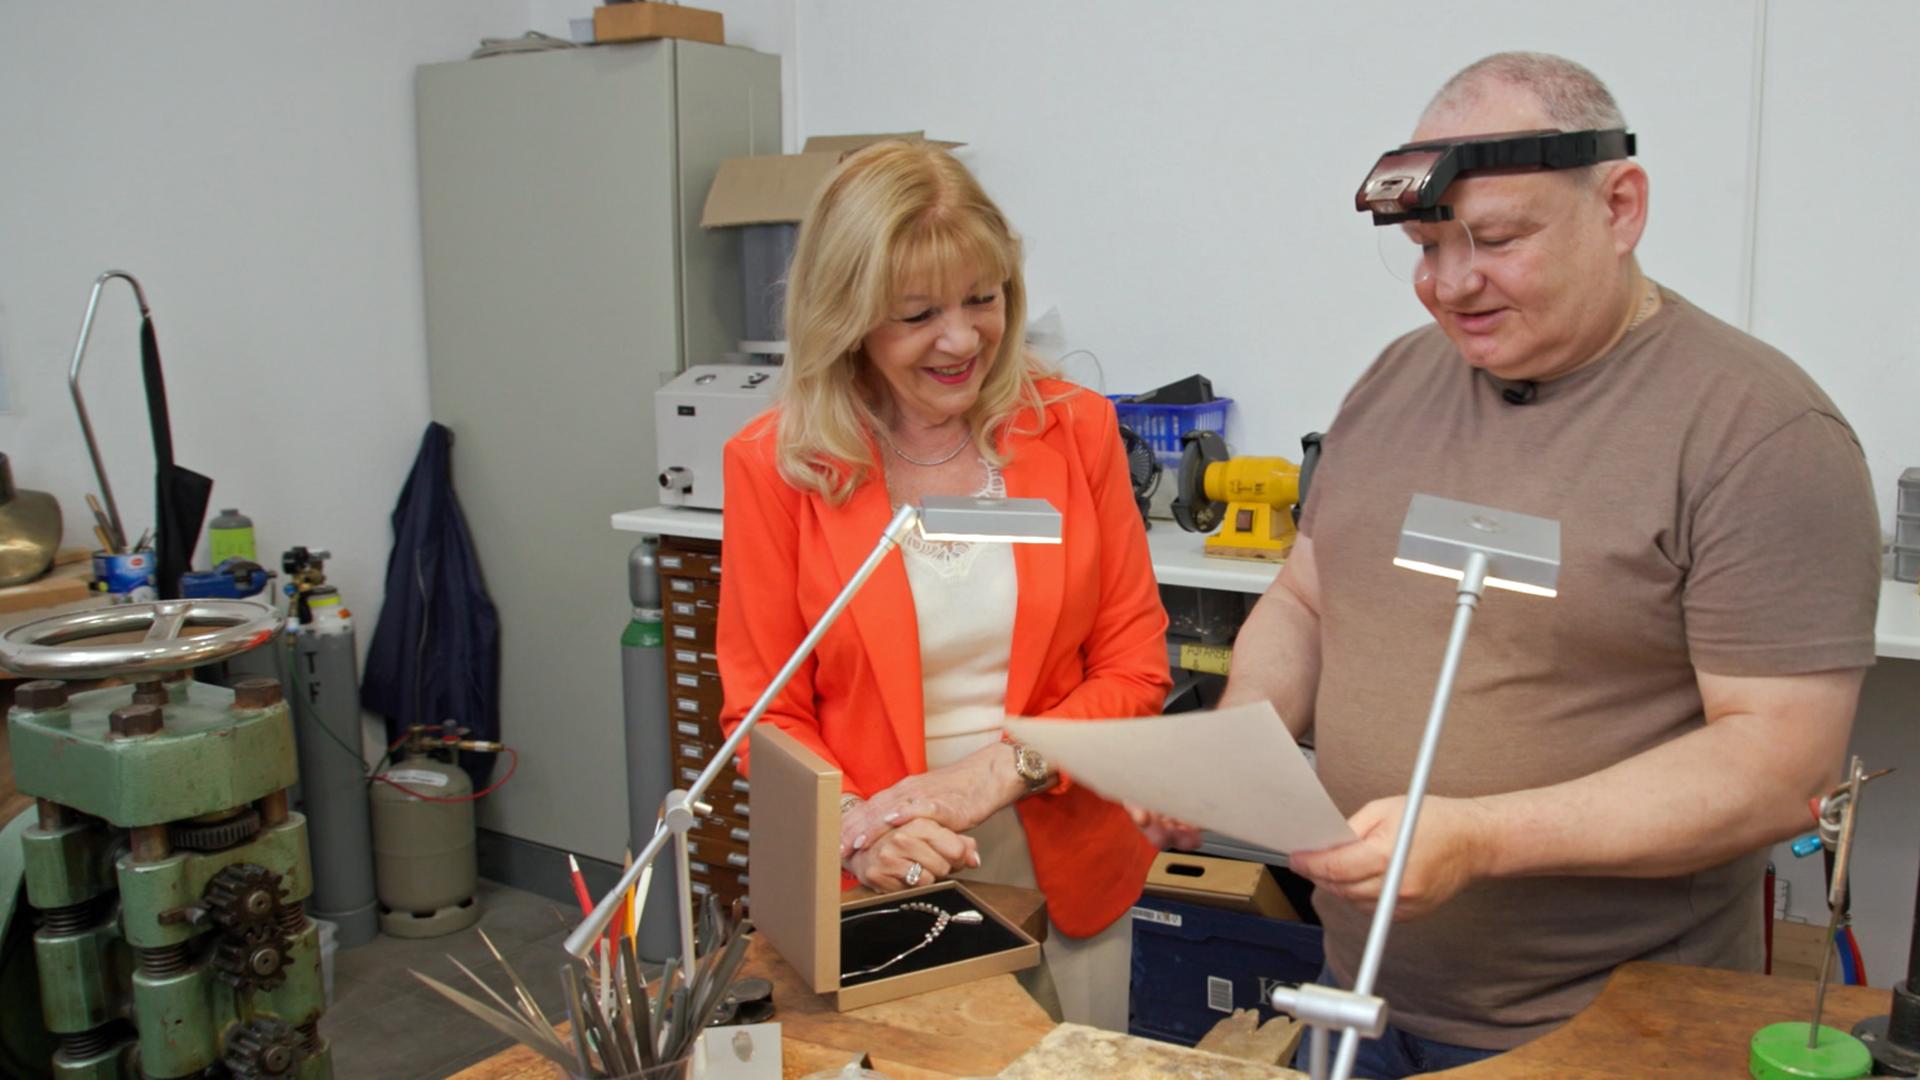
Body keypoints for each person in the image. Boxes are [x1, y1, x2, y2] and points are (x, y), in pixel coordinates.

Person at [1219, 53, 1882, 1075]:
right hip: (1357, 995)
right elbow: (1308, 598)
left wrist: (1481, 838)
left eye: (1494, 240)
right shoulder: (1398, 378)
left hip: (1604, 1032)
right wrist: (1240, 746)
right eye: (1429, 245)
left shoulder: (1761, 432)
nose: (1447, 284)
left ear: (1619, 207)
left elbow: (1778, 772)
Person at [716, 140, 1173, 1030]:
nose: (962, 338)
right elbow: (764, 711)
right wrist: (861, 826)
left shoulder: (1073, 429)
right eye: (917, 312)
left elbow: (1134, 668)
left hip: (1066, 848)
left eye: (983, 298)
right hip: (887, 866)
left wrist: (997, 774)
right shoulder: (778, 466)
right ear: (845, 314)